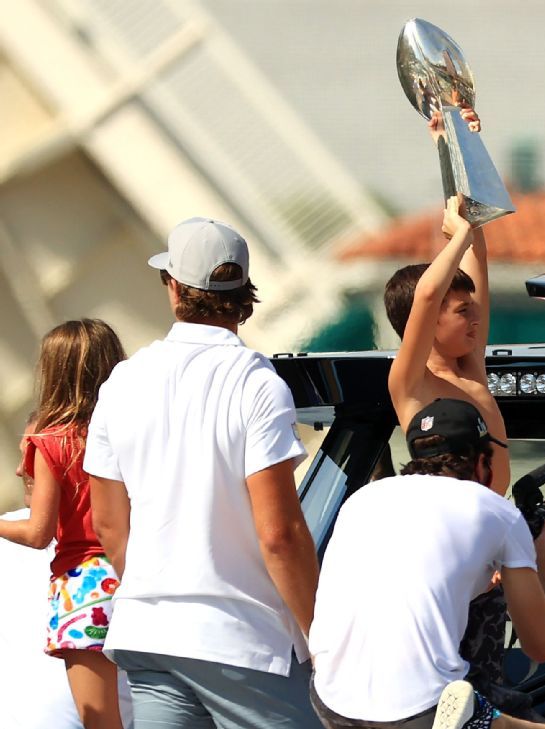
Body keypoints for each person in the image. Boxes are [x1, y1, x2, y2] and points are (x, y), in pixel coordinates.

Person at [85, 217, 321, 727]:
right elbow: (278, 534)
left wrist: (159, 588)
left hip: (148, 635)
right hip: (244, 642)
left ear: (174, 289)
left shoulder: (121, 383)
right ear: (243, 293)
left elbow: (108, 525)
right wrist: (322, 640)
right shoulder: (257, 384)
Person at [309, 398, 545, 729]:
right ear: (482, 459)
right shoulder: (496, 511)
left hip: (329, 699)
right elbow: (540, 647)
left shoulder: (361, 499)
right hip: (421, 709)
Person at [0, 322, 127, 728]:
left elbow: (39, 533)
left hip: (83, 587)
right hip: (139, 573)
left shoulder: (51, 442)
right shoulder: (131, 431)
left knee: (102, 720)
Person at [386, 105, 510, 495]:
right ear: (426, 322)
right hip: (450, 533)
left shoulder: (470, 369)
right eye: (461, 311)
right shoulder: (411, 383)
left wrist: (456, 142)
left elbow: (475, 246)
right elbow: (426, 293)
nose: (477, 317)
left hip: (493, 525)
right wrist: (457, 238)